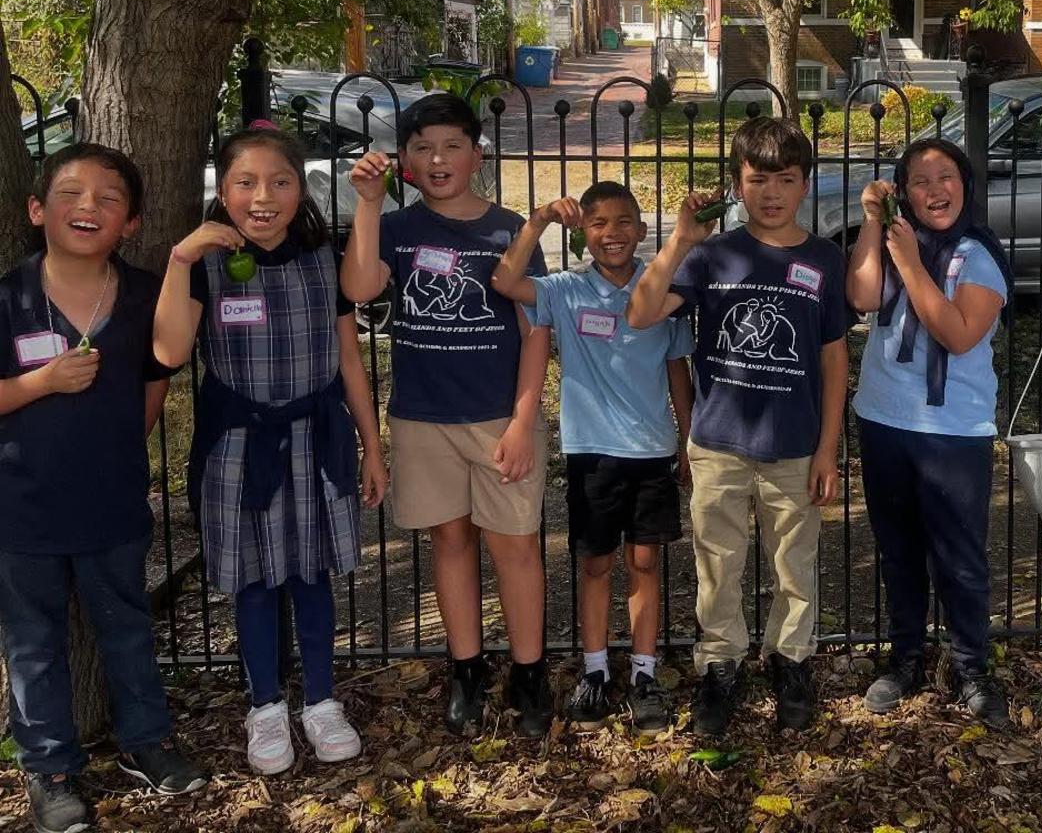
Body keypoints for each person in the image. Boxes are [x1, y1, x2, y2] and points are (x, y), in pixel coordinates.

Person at [153, 126, 387, 775]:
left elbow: (350, 346)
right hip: (238, 448)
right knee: (254, 584)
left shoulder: (320, 256)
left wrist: (372, 445)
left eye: (280, 182)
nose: (264, 197)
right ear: (222, 191)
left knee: (311, 578)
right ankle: (264, 707)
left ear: (300, 188)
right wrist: (178, 260)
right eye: (245, 183)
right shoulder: (201, 263)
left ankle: (320, 701)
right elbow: (170, 352)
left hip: (316, 441)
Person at [0, 146, 207, 833]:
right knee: (32, 644)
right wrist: (41, 384)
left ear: (131, 222)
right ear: (37, 211)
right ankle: (50, 769)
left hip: (113, 501)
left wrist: (119, 453)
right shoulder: (8, 298)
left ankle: (147, 744)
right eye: (70, 193)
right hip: (20, 510)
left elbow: (157, 381)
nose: (88, 206)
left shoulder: (146, 293)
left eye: (108, 198)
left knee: (126, 629)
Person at [340, 93, 553, 738]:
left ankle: (529, 671)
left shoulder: (508, 229)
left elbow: (536, 330)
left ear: (476, 153)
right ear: (404, 159)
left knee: (514, 546)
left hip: (496, 417)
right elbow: (358, 289)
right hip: (422, 416)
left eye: (451, 145)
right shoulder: (399, 229)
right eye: (423, 148)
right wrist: (370, 207)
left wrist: (522, 420)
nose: (438, 159)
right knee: (451, 541)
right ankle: (466, 669)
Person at [627, 117, 848, 735]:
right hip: (719, 442)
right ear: (737, 184)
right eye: (757, 180)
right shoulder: (713, 255)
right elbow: (642, 312)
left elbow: (834, 358)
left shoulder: (823, 259)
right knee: (717, 563)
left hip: (795, 445)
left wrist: (828, 448)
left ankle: (790, 660)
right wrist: (678, 239)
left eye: (785, 179)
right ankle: (720, 665)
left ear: (805, 184)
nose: (771, 193)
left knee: (793, 563)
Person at [490, 181, 694, 734]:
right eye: (599, 223)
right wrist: (537, 220)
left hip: (651, 451)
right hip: (591, 455)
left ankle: (646, 673)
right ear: (583, 232)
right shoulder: (565, 290)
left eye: (624, 221)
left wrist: (689, 439)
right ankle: (597, 670)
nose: (613, 233)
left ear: (642, 230)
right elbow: (505, 280)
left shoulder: (664, 293)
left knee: (646, 563)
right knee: (597, 564)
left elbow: (679, 372)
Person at [845, 138, 1014, 730]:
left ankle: (972, 666)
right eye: (920, 180)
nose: (935, 189)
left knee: (960, 556)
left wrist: (914, 265)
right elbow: (862, 296)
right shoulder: (893, 243)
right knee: (898, 549)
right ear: (903, 192)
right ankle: (907, 656)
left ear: (965, 186)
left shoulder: (978, 256)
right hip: (885, 419)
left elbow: (960, 334)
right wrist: (874, 226)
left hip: (953, 429)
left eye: (947, 176)